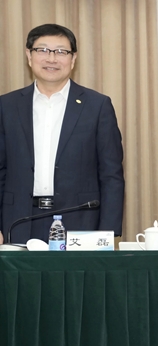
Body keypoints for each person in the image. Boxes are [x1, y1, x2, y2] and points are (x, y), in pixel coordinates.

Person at [0, 23, 124, 244]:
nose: (51, 59)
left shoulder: (97, 106)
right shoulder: (6, 106)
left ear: (73, 59)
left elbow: (111, 175)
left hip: (80, 222)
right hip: (18, 221)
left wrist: (108, 232)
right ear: (29, 56)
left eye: (60, 52)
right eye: (43, 50)